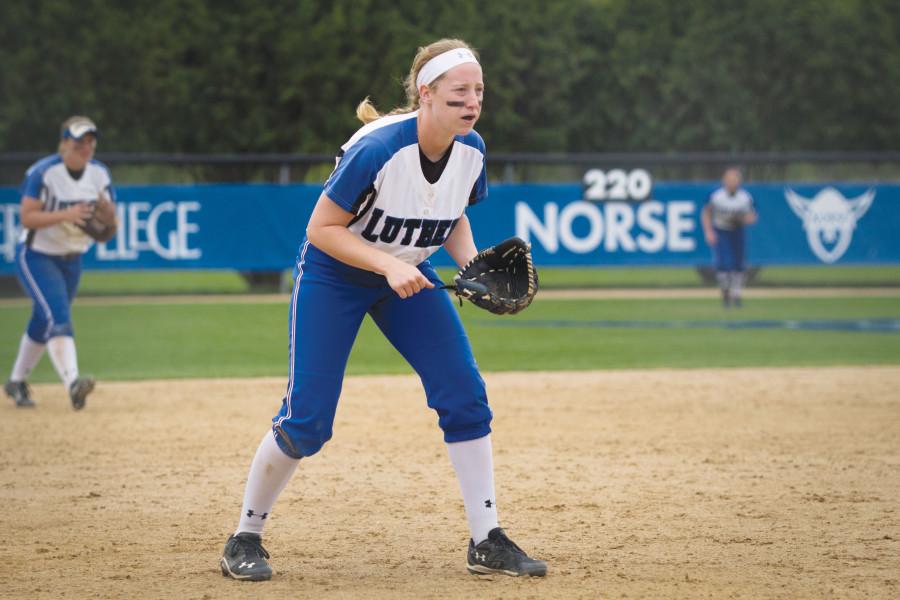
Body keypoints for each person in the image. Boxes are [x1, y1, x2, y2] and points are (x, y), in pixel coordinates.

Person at [219, 39, 547, 581]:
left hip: (409, 274)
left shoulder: (472, 150)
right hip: (336, 274)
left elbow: (454, 215)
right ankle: (244, 536)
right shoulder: (378, 148)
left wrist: (471, 267)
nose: (473, 102)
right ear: (427, 94)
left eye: (479, 91)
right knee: (308, 421)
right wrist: (386, 266)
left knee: (465, 396)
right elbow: (320, 230)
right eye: (460, 91)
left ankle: (486, 539)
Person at [4, 116, 112, 409]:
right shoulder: (44, 172)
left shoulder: (99, 174)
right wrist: (66, 214)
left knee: (44, 320)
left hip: (72, 257)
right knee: (58, 318)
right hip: (37, 255)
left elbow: (108, 228)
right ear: (64, 142)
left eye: (90, 141)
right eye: (79, 141)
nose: (85, 147)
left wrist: (108, 215)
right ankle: (73, 382)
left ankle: (15, 382)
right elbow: (27, 217)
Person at [701, 167, 757, 307]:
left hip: (737, 231)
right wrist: (709, 231)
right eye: (729, 179)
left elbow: (753, 216)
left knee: (738, 265)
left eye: (735, 179)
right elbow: (706, 212)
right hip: (721, 230)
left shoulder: (745, 197)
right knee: (723, 264)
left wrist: (741, 220)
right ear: (724, 181)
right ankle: (725, 293)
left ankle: (737, 295)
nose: (732, 182)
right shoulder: (716, 196)